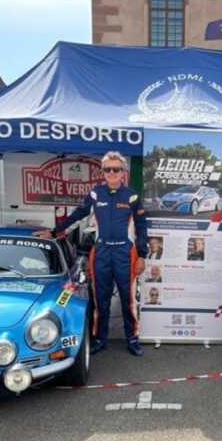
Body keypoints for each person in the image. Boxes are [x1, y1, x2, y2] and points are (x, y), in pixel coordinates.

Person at [33, 151, 148, 357]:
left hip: (125, 253)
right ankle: (100, 338)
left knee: (128, 299)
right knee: (100, 299)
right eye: (107, 169)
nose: (111, 173)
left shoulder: (132, 196)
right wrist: (54, 232)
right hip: (102, 252)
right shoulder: (96, 194)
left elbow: (142, 228)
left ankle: (132, 338)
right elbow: (77, 216)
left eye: (116, 169)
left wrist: (142, 255)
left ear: (123, 172)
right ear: (102, 172)